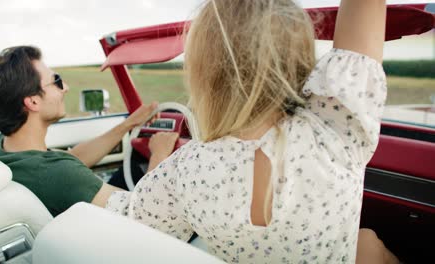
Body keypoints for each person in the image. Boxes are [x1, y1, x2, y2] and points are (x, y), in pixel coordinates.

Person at [105, 0, 399, 263]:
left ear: (201, 73)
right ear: (300, 60)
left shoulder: (183, 171)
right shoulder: (336, 124)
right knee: (369, 242)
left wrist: (156, 157)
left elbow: (139, 229)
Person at [0, 46, 178, 217]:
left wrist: (128, 124)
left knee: (133, 169)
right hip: (119, 237)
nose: (66, 88)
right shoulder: (57, 175)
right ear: (33, 101)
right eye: (56, 81)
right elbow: (147, 212)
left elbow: (73, 159)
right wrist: (160, 154)